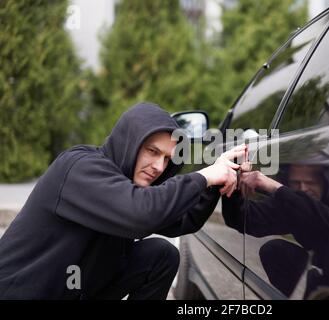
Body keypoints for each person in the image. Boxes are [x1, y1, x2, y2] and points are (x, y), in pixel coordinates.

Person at [0, 102, 245, 300]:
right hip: (23, 292)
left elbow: (183, 219)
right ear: (131, 141)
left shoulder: (131, 187)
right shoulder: (79, 167)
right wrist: (203, 176)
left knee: (161, 255)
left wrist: (215, 181)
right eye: (152, 151)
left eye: (167, 159)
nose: (159, 166)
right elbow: (141, 213)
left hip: (74, 288)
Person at [223, 164, 329, 298]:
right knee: (274, 251)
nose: (303, 189)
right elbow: (247, 219)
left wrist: (275, 188)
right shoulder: (293, 204)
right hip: (324, 282)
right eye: (295, 183)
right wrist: (234, 189)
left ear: (326, 184)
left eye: (310, 183)